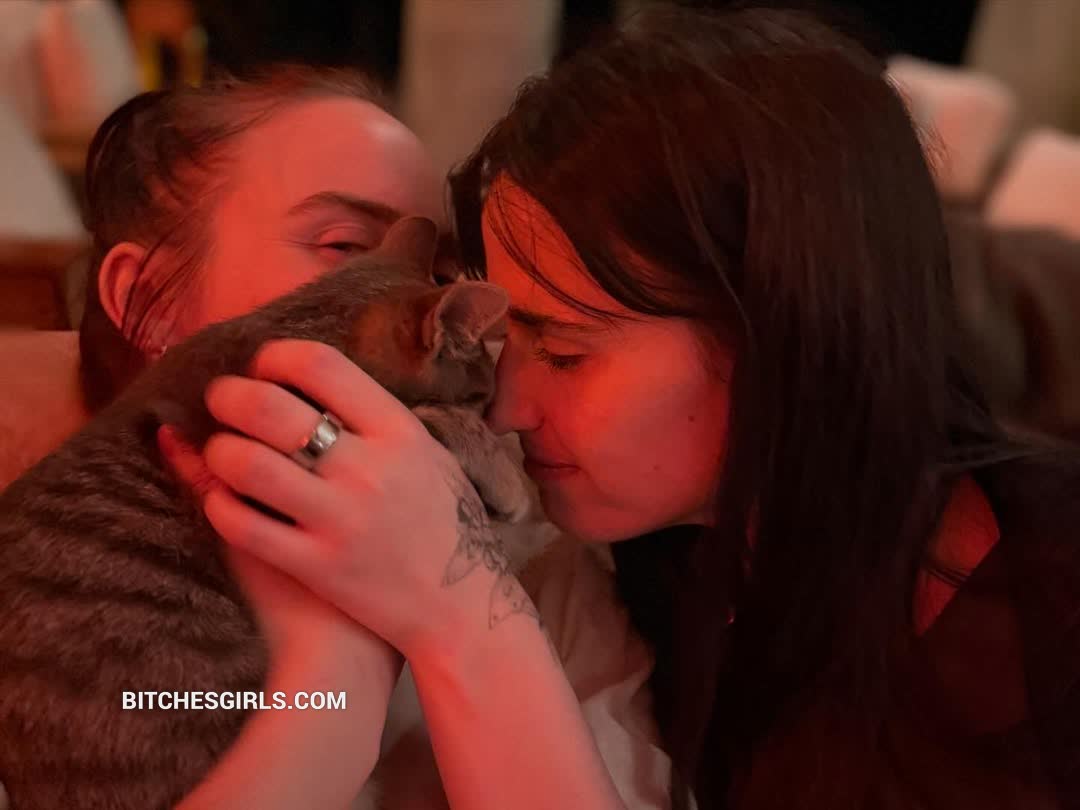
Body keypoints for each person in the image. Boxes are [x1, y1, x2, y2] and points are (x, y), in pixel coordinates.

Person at [176, 5, 1080, 810]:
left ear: (782, 336)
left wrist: (460, 618)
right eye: (509, 342)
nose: (506, 408)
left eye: (567, 352)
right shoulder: (641, 572)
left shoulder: (1049, 607)